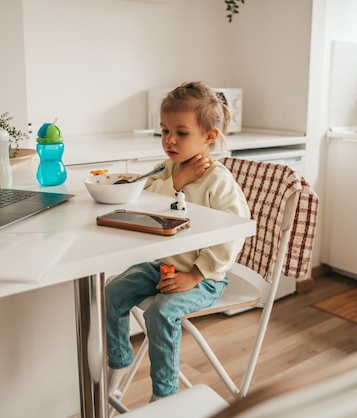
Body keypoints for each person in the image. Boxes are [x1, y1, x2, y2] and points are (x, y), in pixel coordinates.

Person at [105, 81, 251, 402]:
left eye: (181, 133)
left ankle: (165, 396)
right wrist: (176, 182)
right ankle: (117, 367)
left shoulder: (218, 181)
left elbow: (234, 232)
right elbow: (140, 198)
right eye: (164, 130)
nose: (170, 140)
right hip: (165, 265)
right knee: (112, 292)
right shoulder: (168, 168)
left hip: (205, 277)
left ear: (208, 137)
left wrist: (196, 275)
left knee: (160, 314)